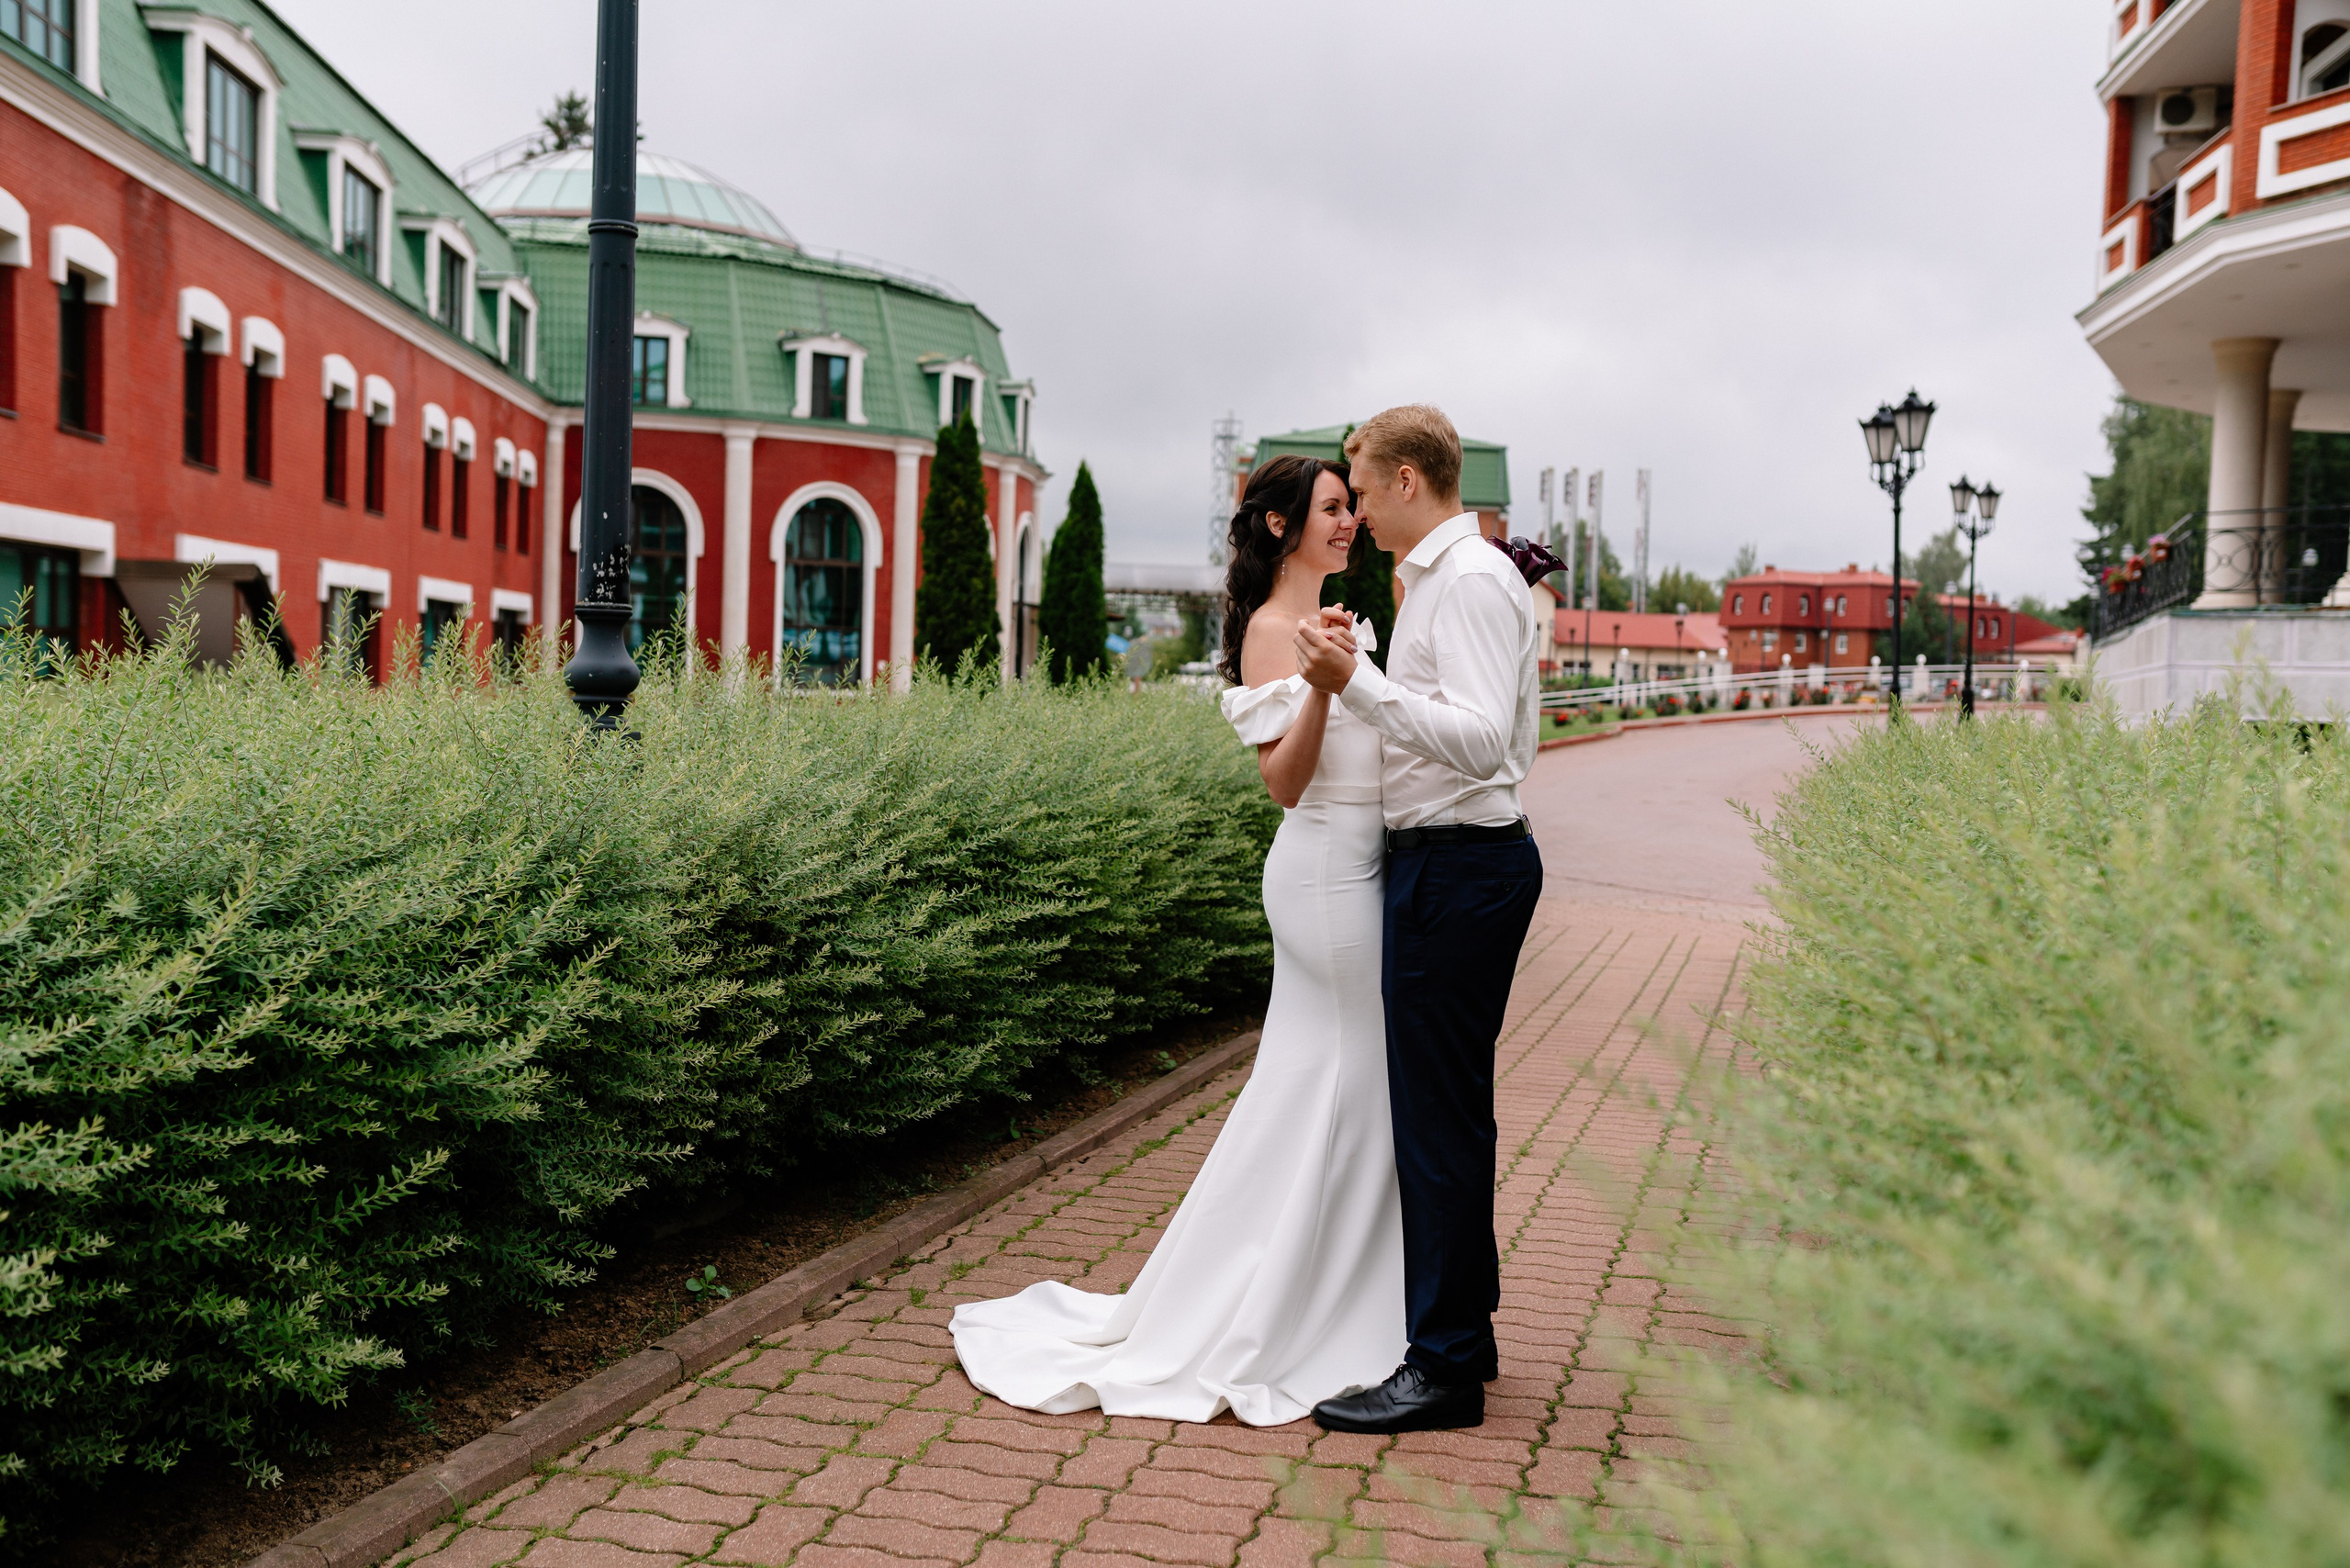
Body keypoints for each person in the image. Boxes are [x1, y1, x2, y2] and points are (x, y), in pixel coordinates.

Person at [948, 454, 1404, 1425]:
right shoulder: (1273, 637)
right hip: (1326, 876)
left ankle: (1330, 1293)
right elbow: (1284, 781)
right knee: (1346, 1081)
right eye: (1331, 508)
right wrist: (1328, 685)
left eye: (1349, 508)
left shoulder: (1337, 623)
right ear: (1280, 526)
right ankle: (1303, 1311)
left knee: (1330, 1084)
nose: (1348, 522)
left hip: (1367, 867)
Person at [1291, 405, 1544, 1435]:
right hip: (1442, 867)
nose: (1356, 513)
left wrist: (1360, 687)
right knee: (1446, 1113)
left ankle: (1441, 1367)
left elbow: (1484, 742)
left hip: (1459, 869)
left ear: (1406, 479)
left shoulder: (1472, 581)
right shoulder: (1438, 581)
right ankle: (1459, 1338)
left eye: (1361, 488)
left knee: (1436, 1122)